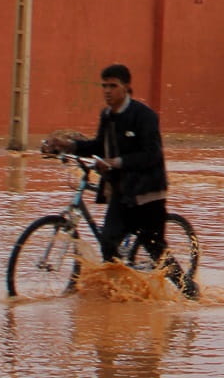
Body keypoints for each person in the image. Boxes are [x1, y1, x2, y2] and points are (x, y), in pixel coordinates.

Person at [40, 64, 168, 264]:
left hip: (147, 195)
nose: (107, 91)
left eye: (112, 86)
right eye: (104, 86)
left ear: (125, 87)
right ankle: (120, 291)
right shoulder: (107, 115)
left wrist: (116, 162)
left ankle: (189, 291)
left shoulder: (145, 116)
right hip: (121, 191)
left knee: (157, 253)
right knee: (108, 243)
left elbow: (152, 155)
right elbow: (99, 146)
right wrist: (69, 146)